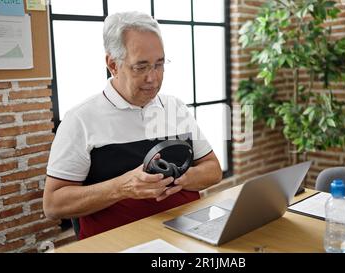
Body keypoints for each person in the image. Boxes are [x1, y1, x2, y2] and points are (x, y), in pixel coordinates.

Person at [43, 11, 222, 240]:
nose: (153, 78)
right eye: (141, 67)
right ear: (113, 65)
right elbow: (53, 205)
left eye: (159, 64)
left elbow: (213, 170)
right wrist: (122, 187)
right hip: (122, 243)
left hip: (187, 236)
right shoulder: (80, 119)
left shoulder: (175, 107)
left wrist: (179, 177)